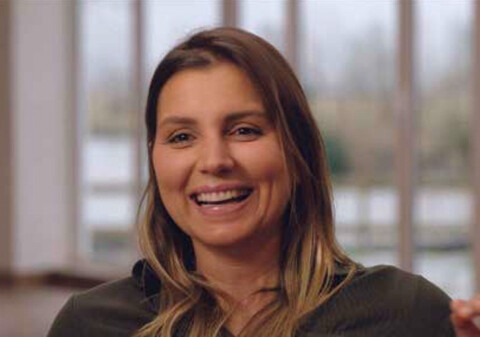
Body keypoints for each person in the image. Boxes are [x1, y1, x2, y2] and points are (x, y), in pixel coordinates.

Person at [48, 27, 480, 337]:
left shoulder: (406, 313)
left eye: (245, 130)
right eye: (182, 137)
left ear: (298, 151)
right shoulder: (90, 324)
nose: (214, 161)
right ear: (154, 159)